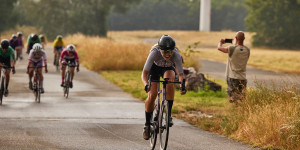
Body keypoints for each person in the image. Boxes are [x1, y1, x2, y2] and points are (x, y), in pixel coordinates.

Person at [141, 35, 186, 140]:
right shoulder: (154, 53)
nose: (168, 55)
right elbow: (144, 73)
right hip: (154, 69)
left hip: (168, 68)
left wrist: (182, 86)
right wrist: (146, 84)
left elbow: (180, 75)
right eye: (165, 52)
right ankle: (147, 125)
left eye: (170, 52)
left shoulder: (176, 55)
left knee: (170, 82)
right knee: (152, 95)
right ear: (160, 50)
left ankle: (168, 114)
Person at [217, 31, 250, 104]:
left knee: (232, 98)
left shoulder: (231, 48)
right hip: (243, 77)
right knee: (242, 98)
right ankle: (241, 111)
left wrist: (221, 42)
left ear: (236, 38)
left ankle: (235, 111)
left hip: (232, 77)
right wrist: (231, 40)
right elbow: (238, 45)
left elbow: (219, 48)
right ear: (244, 38)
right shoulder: (247, 50)